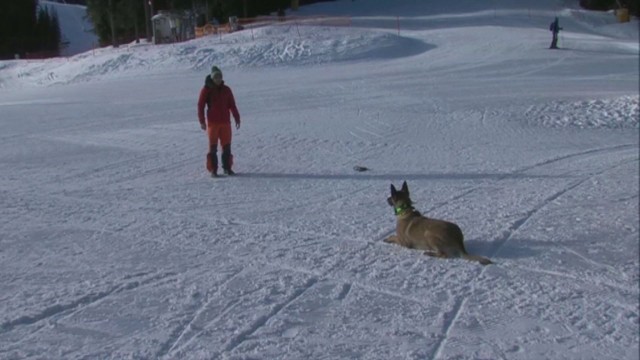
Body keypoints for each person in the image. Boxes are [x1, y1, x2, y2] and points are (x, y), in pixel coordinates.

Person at [197, 66, 241, 176]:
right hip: (213, 123)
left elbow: (232, 105)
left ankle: (227, 168)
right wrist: (202, 121)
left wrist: (237, 117)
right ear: (212, 78)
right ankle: (213, 169)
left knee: (226, 146)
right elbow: (200, 105)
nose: (218, 79)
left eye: (220, 77)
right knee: (213, 147)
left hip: (225, 122)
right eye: (216, 77)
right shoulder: (206, 90)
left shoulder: (227, 90)